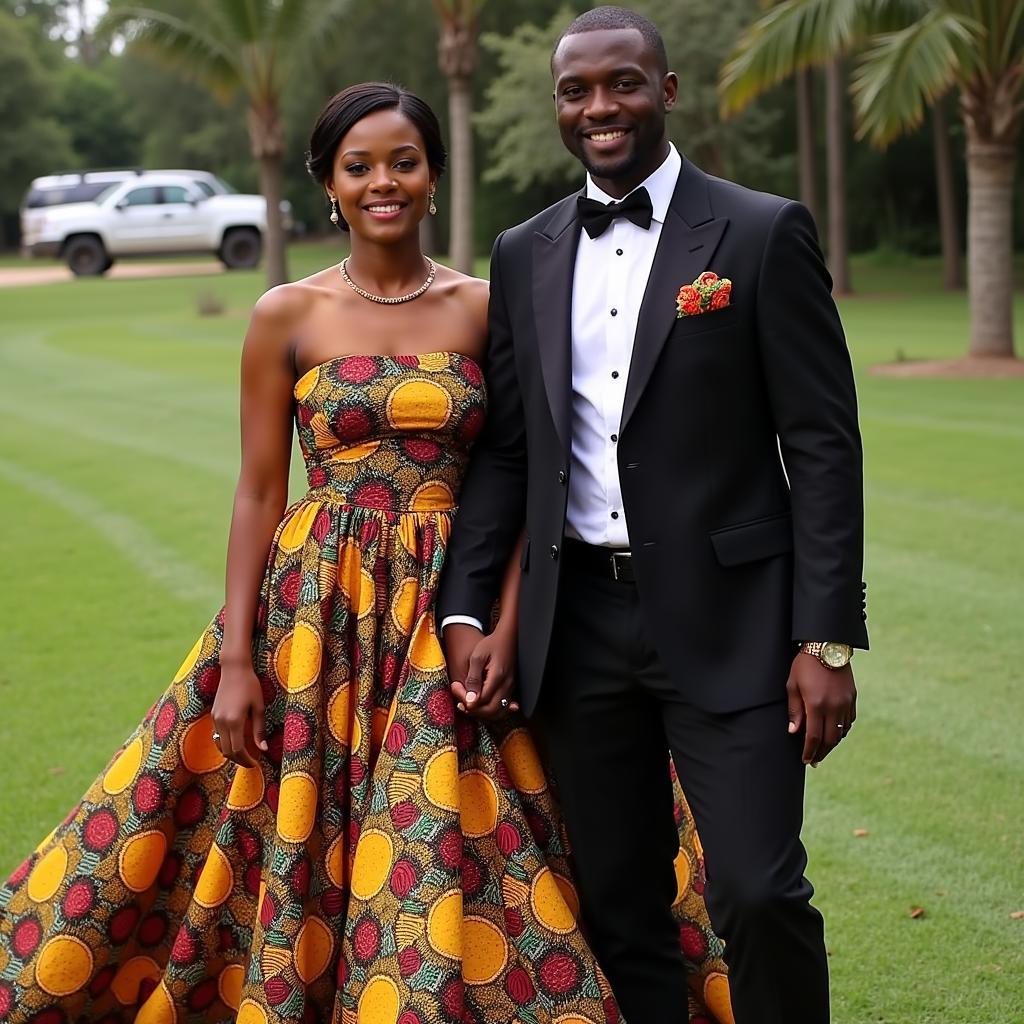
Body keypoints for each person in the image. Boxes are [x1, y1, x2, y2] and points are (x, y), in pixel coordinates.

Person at [0, 82, 728, 1024]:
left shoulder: (488, 304)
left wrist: (506, 620)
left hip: (452, 599)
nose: (383, 182)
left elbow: (522, 477)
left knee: (489, 816)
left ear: (431, 178)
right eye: (359, 167)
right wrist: (233, 657)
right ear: (331, 186)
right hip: (318, 609)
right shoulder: (284, 315)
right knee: (284, 818)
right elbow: (262, 487)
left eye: (403, 162)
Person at [440, 7, 869, 1024]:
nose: (600, 108)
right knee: (622, 905)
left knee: (759, 892)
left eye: (622, 84)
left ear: (666, 91)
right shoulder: (523, 250)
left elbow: (821, 445)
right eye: (576, 91)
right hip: (576, 629)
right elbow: (509, 453)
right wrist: (467, 607)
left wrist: (826, 637)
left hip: (736, 624)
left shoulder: (762, 232)